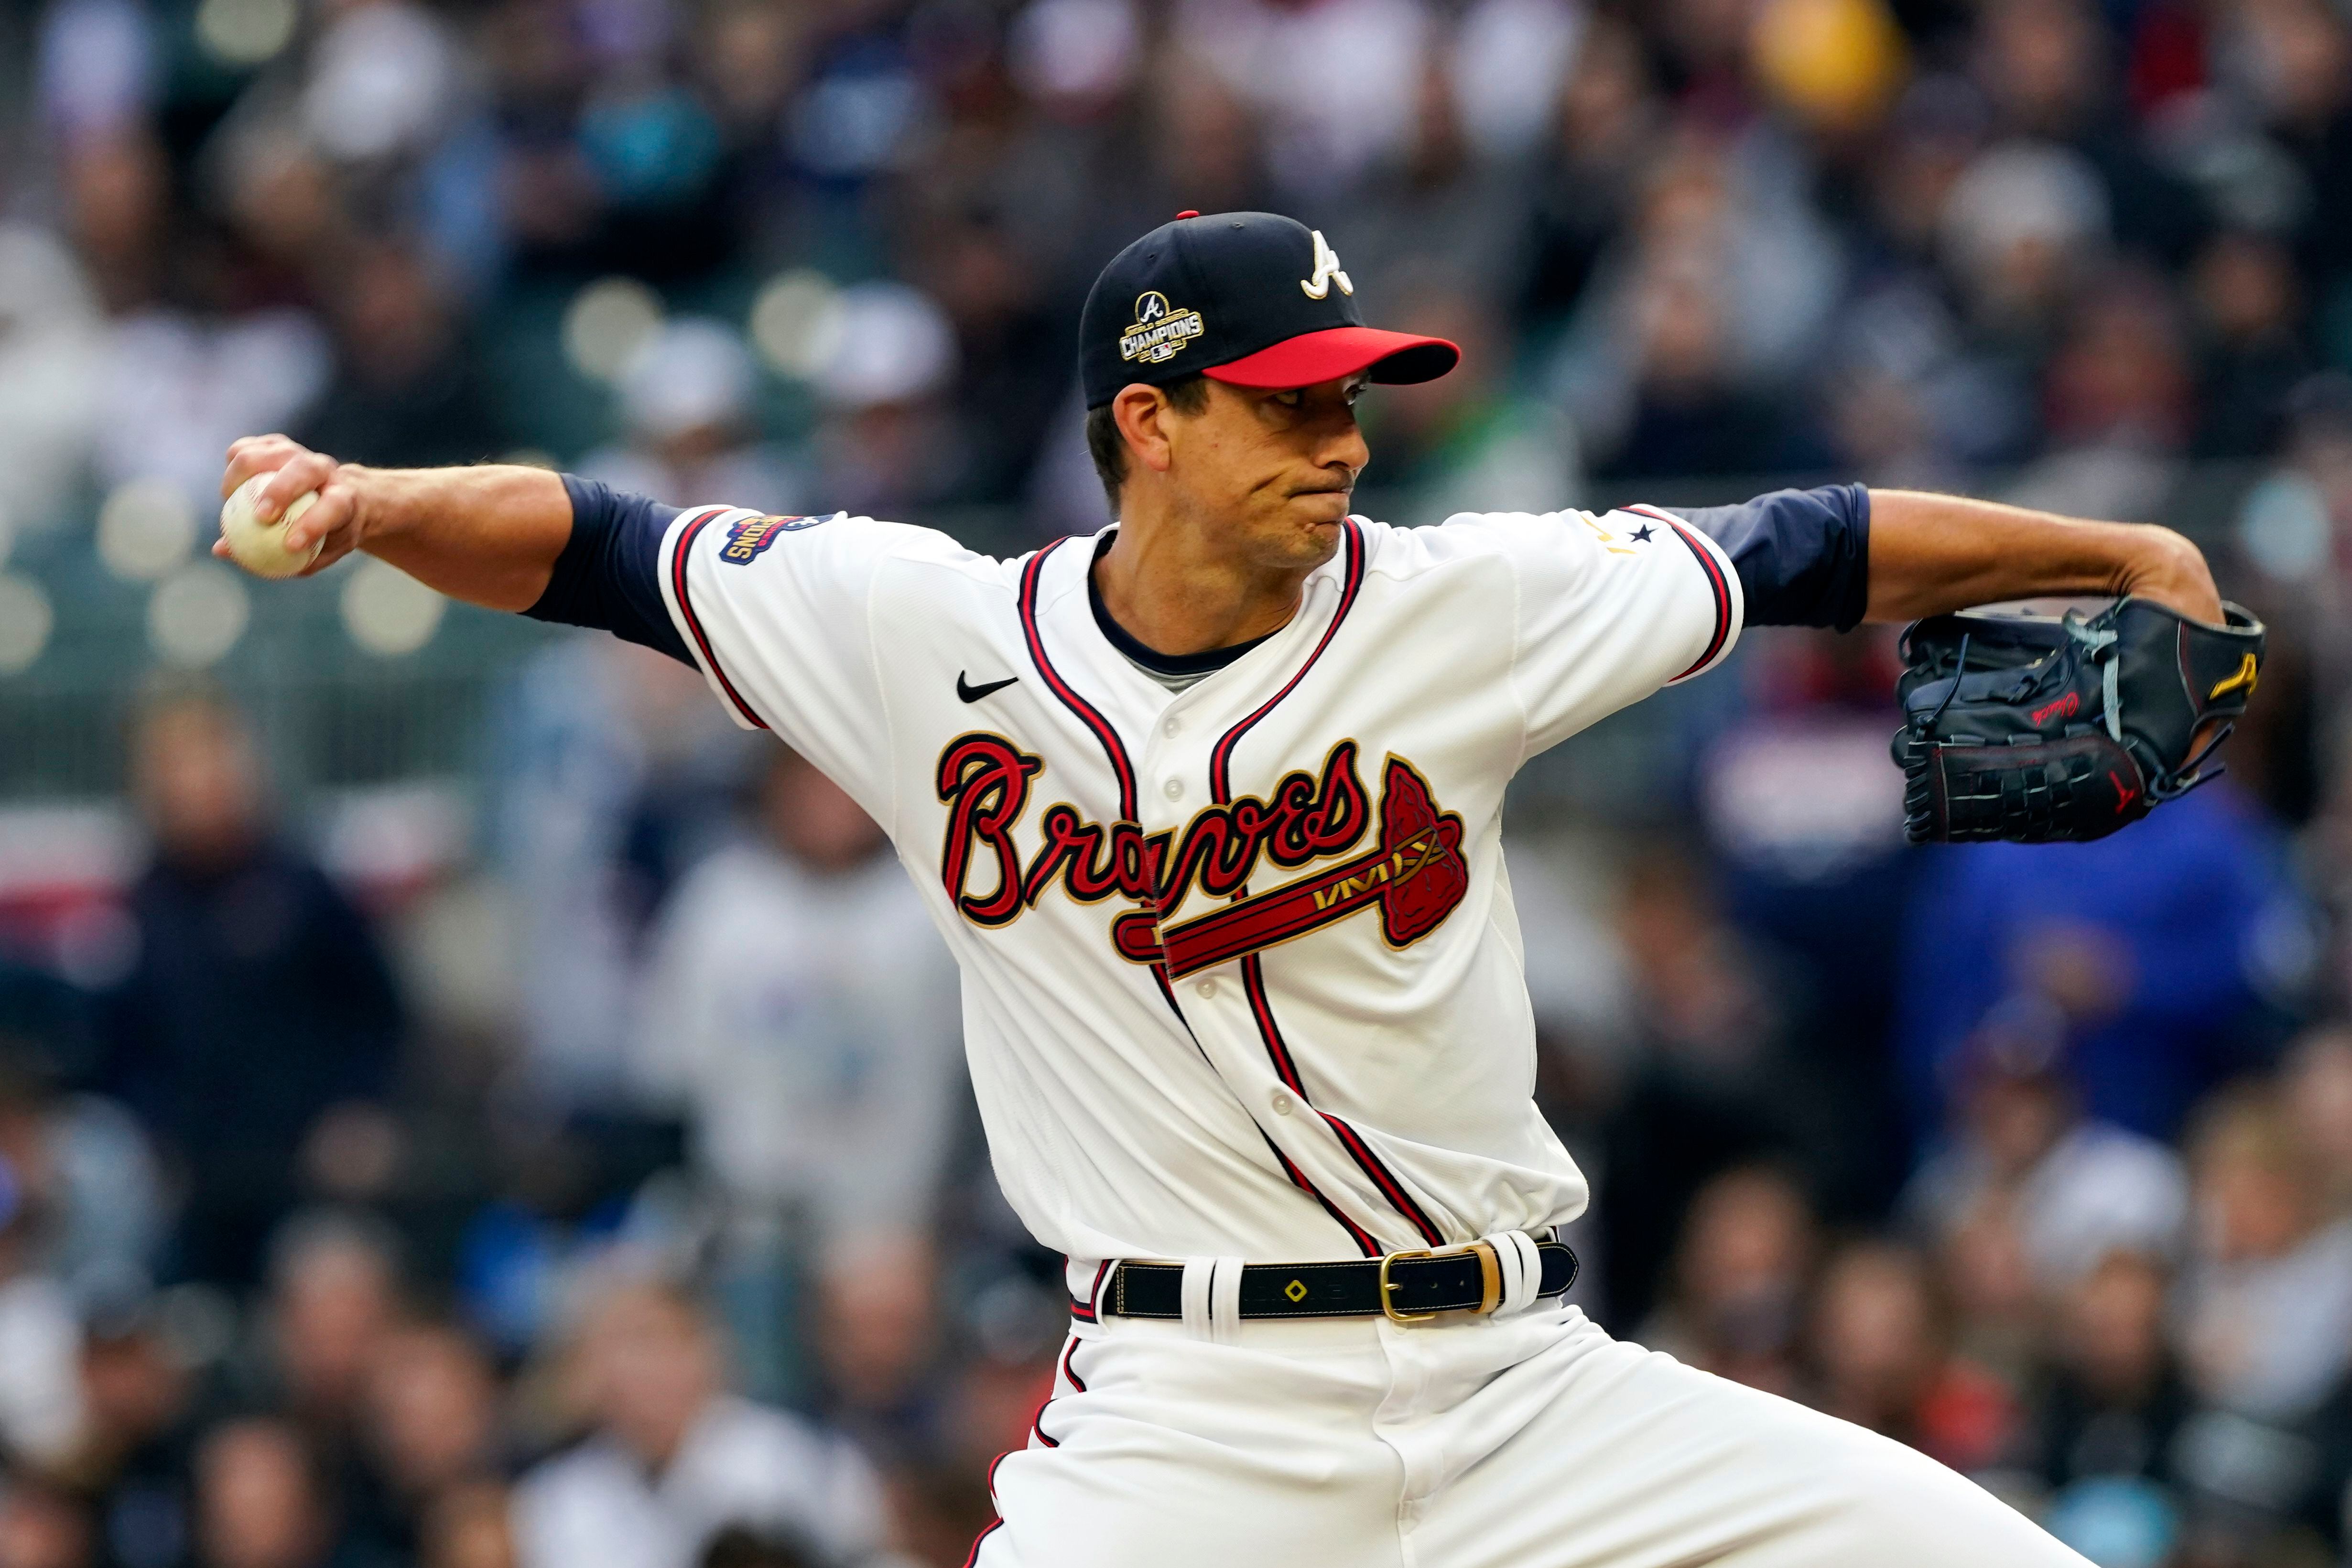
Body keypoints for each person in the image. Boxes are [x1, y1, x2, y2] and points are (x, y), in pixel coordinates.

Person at [215, 211, 2233, 1565]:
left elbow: (1797, 543)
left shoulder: (1464, 606)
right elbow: (602, 546)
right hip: (1187, 1421)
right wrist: (378, 506)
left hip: (1528, 1389)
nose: (1340, 440)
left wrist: (2101, 541)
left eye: (1350, 395)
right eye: (1286, 404)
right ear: (1147, 425)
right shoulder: (922, 635)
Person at [508, 1276, 884, 1568]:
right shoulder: (557, 1499)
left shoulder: (794, 1457)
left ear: (708, 1352)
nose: (638, 1370)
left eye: (654, 1341)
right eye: (614, 1348)